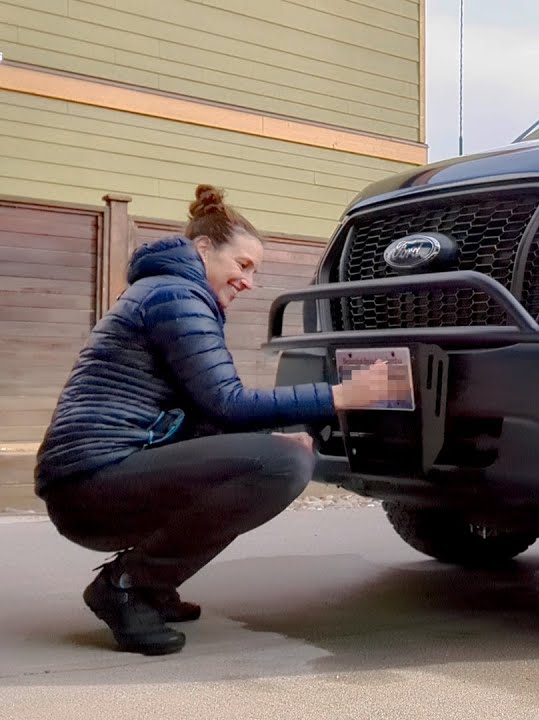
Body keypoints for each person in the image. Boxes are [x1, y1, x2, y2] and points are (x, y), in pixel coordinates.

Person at [33, 184, 391, 656]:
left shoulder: (165, 291)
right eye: (243, 265)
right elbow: (227, 402)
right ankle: (126, 585)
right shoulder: (175, 296)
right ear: (203, 248)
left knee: (272, 452)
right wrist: (342, 395)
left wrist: (271, 436)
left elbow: (206, 413)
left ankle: (152, 586)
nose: (248, 281)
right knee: (282, 466)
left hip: (92, 479)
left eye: (254, 271)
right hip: (90, 484)